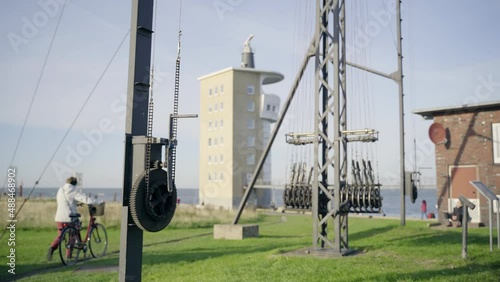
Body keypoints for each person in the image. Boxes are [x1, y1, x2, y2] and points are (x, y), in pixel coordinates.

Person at [47, 176, 95, 261]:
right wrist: (95, 202)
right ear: (75, 183)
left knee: (60, 235)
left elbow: (66, 201)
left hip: (59, 217)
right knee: (72, 235)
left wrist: (75, 204)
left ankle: (52, 247)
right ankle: (69, 255)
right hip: (69, 217)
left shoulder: (61, 190)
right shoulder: (73, 190)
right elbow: (84, 199)